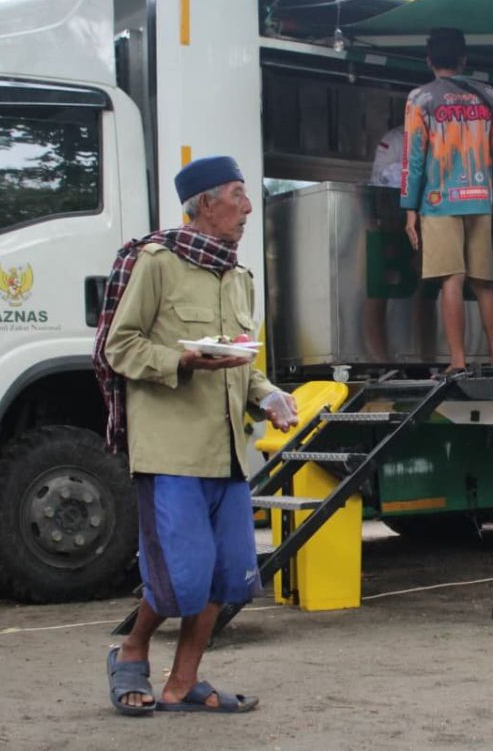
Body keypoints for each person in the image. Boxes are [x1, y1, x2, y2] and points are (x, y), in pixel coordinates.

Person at [95, 155, 299, 715]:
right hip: (171, 452)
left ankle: (183, 683)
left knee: (226, 578)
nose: (248, 208)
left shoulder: (240, 276)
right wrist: (182, 360)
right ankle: (131, 651)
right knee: (178, 581)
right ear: (205, 203)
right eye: (238, 195)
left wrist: (269, 395)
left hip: (228, 452)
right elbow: (121, 347)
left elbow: (242, 361)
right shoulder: (157, 263)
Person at [401, 27, 493, 375]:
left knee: (452, 280)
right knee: (484, 283)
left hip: (439, 200)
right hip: (479, 198)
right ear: (463, 59)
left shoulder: (420, 99)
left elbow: (414, 158)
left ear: (429, 60)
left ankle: (458, 361)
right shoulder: (488, 96)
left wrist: (409, 209)